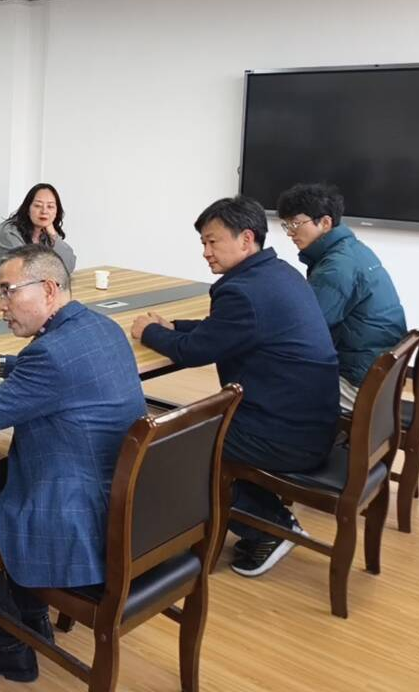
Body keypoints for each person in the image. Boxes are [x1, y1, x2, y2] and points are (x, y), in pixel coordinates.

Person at [0, 244, 145, 683]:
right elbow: (63, 372)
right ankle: (29, 615)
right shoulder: (102, 327)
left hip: (80, 523)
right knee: (3, 474)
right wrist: (5, 364)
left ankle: (8, 645)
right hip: (124, 508)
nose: (1, 305)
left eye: (7, 291)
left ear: (49, 289)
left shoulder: (50, 355)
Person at [130, 195, 339, 578]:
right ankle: (261, 517)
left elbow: (196, 351)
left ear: (246, 239)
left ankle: (268, 530)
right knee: (193, 428)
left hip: (286, 436)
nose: (206, 252)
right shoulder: (276, 273)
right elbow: (223, 331)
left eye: (213, 241)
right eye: (203, 243)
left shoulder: (242, 290)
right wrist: (174, 327)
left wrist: (149, 332)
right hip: (311, 421)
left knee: (176, 445)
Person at [277, 182, 407, 409]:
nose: (289, 232)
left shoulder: (336, 267)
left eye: (296, 223)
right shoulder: (352, 250)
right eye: (286, 225)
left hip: (359, 384)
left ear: (325, 223)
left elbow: (305, 330)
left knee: (265, 382)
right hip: (379, 374)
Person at [0, 183, 77, 284]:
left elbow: (68, 265)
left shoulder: (46, 234)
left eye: (50, 207)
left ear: (56, 212)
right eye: (38, 205)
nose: (44, 211)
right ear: (28, 209)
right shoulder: (9, 232)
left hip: (24, 286)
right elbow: (25, 270)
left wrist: (53, 235)